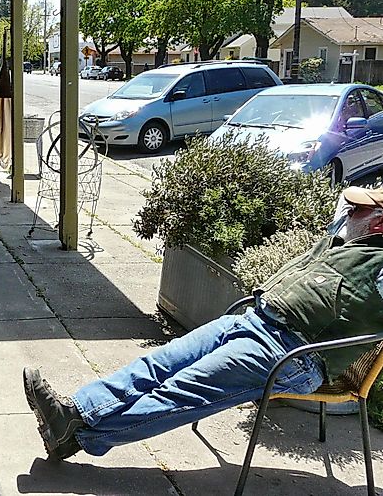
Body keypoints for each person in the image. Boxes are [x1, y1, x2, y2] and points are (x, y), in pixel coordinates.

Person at [23, 185, 383, 460]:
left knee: (177, 394)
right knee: (157, 363)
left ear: (379, 221)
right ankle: (76, 412)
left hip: (292, 353)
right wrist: (346, 223)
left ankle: (78, 437)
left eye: (358, 209)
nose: (348, 212)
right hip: (255, 320)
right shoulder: (349, 242)